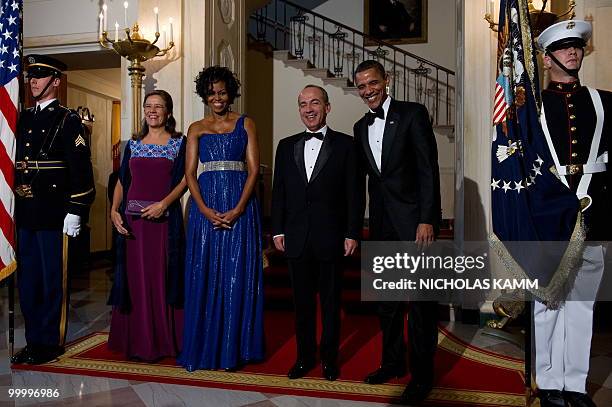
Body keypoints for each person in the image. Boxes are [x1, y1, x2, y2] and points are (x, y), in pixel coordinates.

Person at [353, 60, 441, 404]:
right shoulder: (360, 127)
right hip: (382, 228)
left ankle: (422, 377)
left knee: (420, 306)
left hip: (415, 226)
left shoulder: (413, 113)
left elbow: (427, 169)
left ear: (386, 81)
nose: (368, 90)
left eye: (372, 83)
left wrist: (427, 218)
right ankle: (391, 363)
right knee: (387, 304)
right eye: (361, 86)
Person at [534, 20, 611, 407]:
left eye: (577, 46)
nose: (573, 52)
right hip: (547, 215)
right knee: (547, 303)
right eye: (563, 48)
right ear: (547, 59)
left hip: (592, 213)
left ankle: (575, 386)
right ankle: (548, 383)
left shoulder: (605, 101)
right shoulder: (530, 106)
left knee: (582, 306)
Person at [271, 85, 361, 381]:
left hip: (331, 237)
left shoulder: (346, 145)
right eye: (302, 104)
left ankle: (329, 359)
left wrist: (352, 232)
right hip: (296, 237)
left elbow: (354, 193)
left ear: (327, 107)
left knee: (331, 304)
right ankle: (304, 357)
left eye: (314, 103)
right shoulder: (285, 145)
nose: (308, 109)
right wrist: (277, 229)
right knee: (303, 306)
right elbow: (279, 192)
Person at [179, 66, 264, 371]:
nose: (217, 98)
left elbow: (254, 170)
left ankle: (235, 348)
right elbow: (189, 173)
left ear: (230, 94)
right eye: (211, 93)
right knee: (205, 274)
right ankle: (205, 346)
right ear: (204, 94)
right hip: (207, 209)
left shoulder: (246, 123)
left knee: (236, 274)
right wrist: (202, 209)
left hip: (241, 207)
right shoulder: (195, 128)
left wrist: (240, 208)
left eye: (222, 92)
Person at [11, 55, 95, 365]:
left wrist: (76, 208)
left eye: (40, 76)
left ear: (55, 81)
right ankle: (34, 340)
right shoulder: (21, 118)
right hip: (26, 212)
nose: (32, 81)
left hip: (54, 213)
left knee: (51, 281)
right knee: (29, 282)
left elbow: (81, 171)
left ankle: (50, 342)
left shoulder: (67, 119)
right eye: (30, 75)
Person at [108, 90, 186, 361]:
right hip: (133, 224)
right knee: (135, 278)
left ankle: (163, 340)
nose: (152, 111)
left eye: (159, 106)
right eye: (148, 106)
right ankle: (136, 339)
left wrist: (164, 204)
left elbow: (186, 180)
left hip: (163, 222)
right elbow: (121, 181)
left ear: (168, 111)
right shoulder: (133, 143)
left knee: (161, 276)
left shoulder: (179, 142)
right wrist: (113, 210)